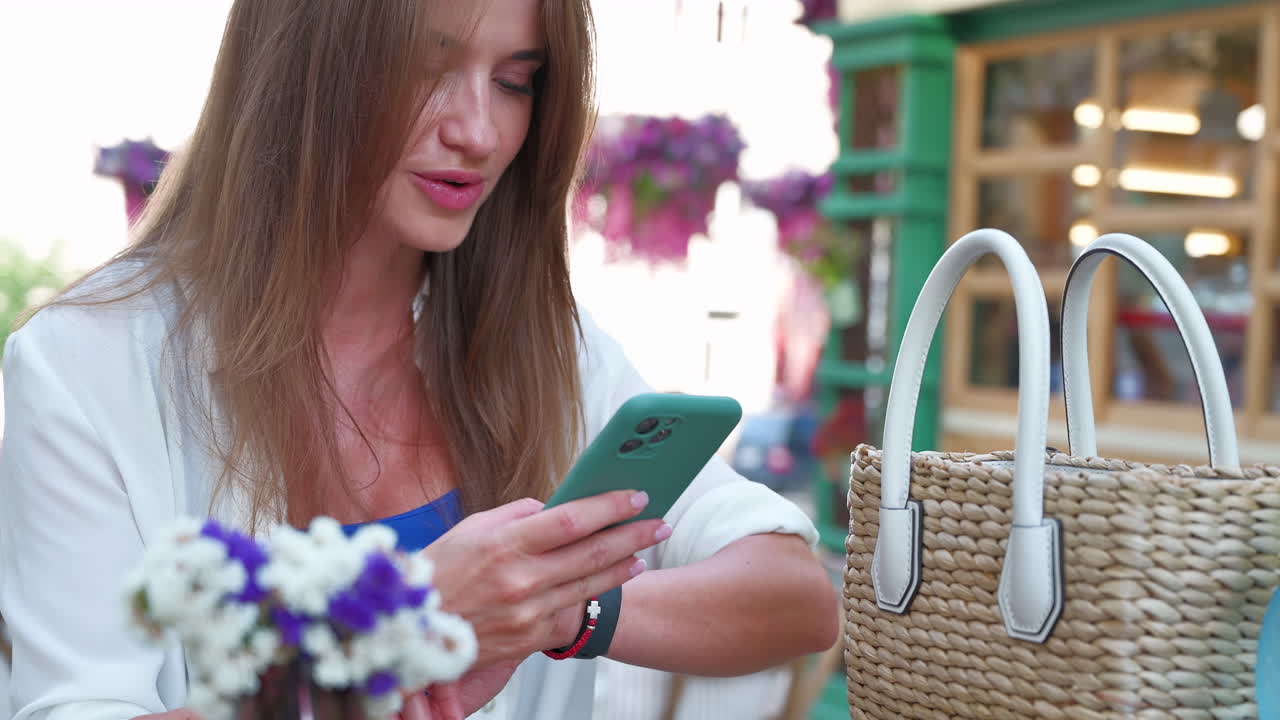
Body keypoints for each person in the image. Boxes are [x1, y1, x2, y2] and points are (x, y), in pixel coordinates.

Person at [0, 1, 839, 718]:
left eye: (517, 80)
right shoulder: (88, 363)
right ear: (301, 65)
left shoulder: (551, 350)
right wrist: (404, 620)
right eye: (422, 68)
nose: (477, 129)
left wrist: (553, 612)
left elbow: (797, 598)